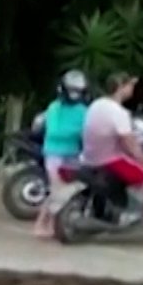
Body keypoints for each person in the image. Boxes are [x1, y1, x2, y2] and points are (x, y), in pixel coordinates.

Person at [80, 72, 143, 248]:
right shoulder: (119, 112)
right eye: (130, 86)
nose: (132, 89)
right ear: (121, 88)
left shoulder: (96, 105)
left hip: (89, 157)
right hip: (109, 160)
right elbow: (130, 144)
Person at [33, 69, 92, 238]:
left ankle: (53, 224)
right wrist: (78, 132)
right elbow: (54, 131)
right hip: (54, 153)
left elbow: (87, 131)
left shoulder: (82, 110)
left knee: (68, 191)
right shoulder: (54, 107)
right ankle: (40, 224)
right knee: (56, 190)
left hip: (74, 154)